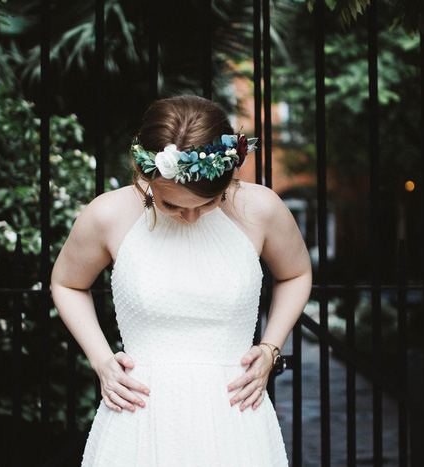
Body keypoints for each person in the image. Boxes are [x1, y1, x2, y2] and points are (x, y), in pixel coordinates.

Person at [51, 95, 312, 466]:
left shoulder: (263, 209)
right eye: (171, 205)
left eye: (209, 203)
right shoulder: (107, 215)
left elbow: (297, 274)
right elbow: (66, 283)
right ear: (145, 174)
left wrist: (271, 349)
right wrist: (101, 360)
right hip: (139, 414)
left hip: (235, 415)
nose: (190, 218)